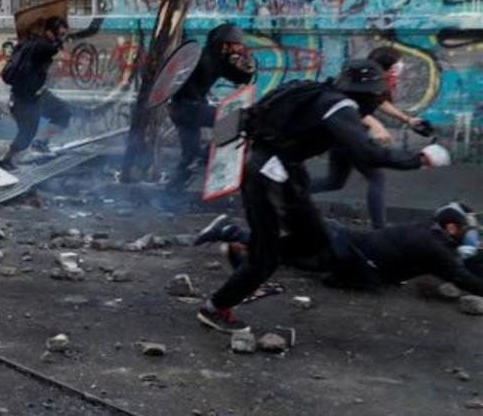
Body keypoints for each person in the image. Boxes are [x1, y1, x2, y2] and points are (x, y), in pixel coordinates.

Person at [197, 59, 451, 333]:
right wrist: (420, 158)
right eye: (378, 96)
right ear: (368, 94)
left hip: (282, 172)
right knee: (266, 258)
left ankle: (240, 243)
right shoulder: (339, 107)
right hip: (267, 176)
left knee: (316, 242)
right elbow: (367, 153)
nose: (379, 102)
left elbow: (245, 117)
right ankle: (217, 307)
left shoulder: (320, 94)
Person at [195, 202, 482, 296]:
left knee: (284, 250)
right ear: (451, 229)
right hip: (344, 254)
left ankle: (235, 236)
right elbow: (460, 277)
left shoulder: (427, 231)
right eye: (465, 232)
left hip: (344, 242)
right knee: (285, 255)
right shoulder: (434, 247)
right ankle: (235, 235)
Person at [310, 46, 436, 228]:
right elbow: (348, 105)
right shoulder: (360, 82)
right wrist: (375, 124)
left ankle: (289, 192)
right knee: (376, 178)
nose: (398, 72)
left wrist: (408, 119)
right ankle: (380, 230)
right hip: (348, 135)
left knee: (334, 181)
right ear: (384, 68)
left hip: (344, 136)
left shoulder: (374, 84)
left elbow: (379, 102)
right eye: (395, 68)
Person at [167, 23, 256, 189]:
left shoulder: (217, 60)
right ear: (225, 44)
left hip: (183, 110)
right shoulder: (202, 58)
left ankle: (169, 196)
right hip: (187, 108)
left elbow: (240, 79)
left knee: (189, 157)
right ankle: (206, 157)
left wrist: (248, 67)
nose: (238, 48)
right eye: (236, 44)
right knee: (234, 122)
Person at [0, 16, 71, 171]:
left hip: (37, 94)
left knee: (63, 113)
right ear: (50, 33)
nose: (63, 37)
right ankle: (5, 159)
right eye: (61, 33)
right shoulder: (44, 47)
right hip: (24, 99)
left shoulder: (28, 42)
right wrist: (62, 47)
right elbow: (60, 56)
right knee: (26, 136)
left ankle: (40, 143)